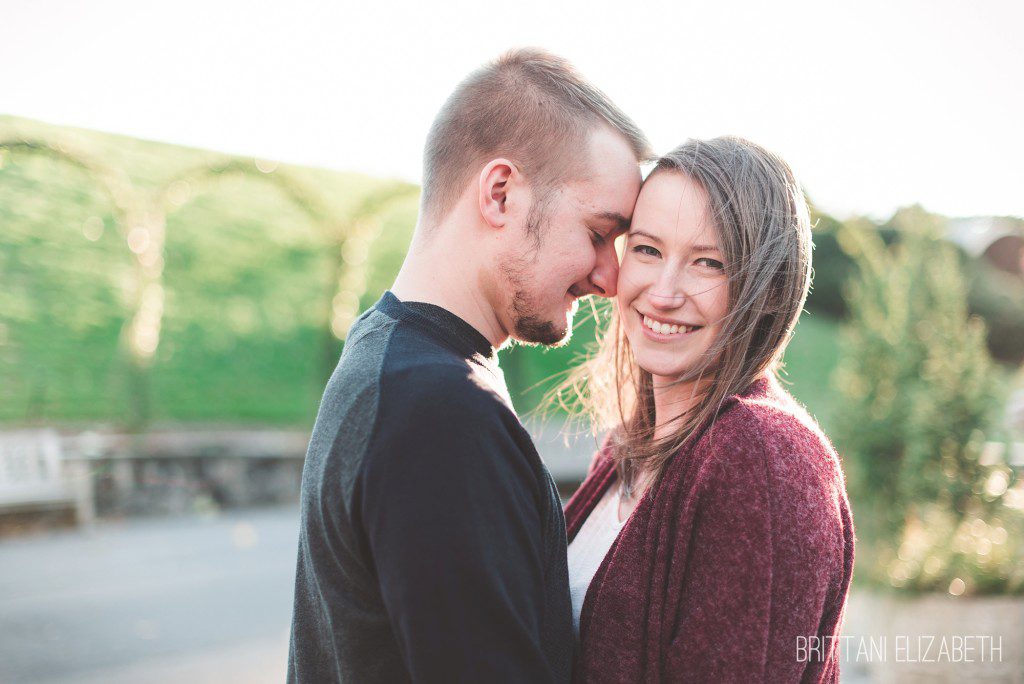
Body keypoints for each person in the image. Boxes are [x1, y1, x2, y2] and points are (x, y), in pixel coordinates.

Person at [287, 48, 651, 683]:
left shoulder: (385, 354)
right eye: (599, 232)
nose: (612, 277)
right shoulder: (441, 413)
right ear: (501, 193)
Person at [561, 137, 856, 682]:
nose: (663, 292)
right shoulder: (629, 444)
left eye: (708, 262)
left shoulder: (764, 457)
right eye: (647, 250)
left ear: (767, 290)